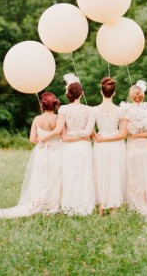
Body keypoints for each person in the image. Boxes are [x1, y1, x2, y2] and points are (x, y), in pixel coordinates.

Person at [0, 92, 64, 219]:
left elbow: (32, 139)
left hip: (41, 151)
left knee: (40, 177)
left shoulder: (37, 119)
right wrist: (49, 141)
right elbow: (60, 134)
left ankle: (38, 202)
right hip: (55, 151)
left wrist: (42, 141)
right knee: (54, 176)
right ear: (55, 104)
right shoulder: (58, 119)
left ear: (42, 105)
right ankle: (53, 203)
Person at [121, 80, 147, 218]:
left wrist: (137, 134)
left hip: (133, 148)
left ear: (131, 95)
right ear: (143, 95)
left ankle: (137, 203)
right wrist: (146, 136)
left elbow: (125, 132)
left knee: (134, 175)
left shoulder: (126, 110)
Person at [59, 74, 95, 216]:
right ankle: (83, 205)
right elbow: (87, 132)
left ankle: (69, 205)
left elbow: (64, 136)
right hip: (84, 147)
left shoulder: (63, 109)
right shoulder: (89, 110)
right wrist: (80, 135)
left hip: (69, 147)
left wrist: (71, 135)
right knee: (83, 175)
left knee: (71, 174)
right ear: (82, 94)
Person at [93, 77, 127, 215]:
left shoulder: (93, 110)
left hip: (100, 144)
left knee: (101, 172)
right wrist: (108, 138)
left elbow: (90, 129)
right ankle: (113, 207)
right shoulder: (121, 111)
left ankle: (102, 206)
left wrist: (99, 138)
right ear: (114, 93)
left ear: (101, 92)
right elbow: (123, 134)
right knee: (114, 173)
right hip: (116, 145)